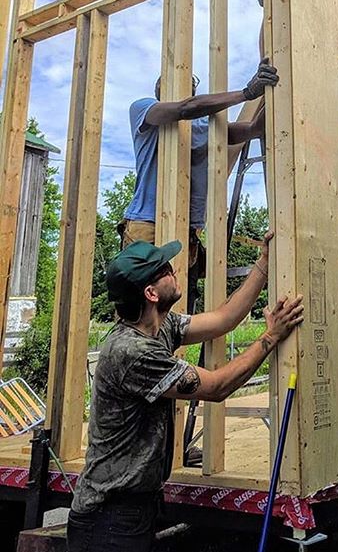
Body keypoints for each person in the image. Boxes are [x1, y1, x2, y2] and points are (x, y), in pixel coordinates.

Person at [66, 235, 303, 552]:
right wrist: (272, 335)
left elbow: (223, 319)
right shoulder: (132, 351)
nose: (173, 270)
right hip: (109, 518)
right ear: (151, 293)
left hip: (134, 510)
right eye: (163, 269)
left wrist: (263, 262)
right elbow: (217, 387)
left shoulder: (159, 325)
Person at [121, 61, 278, 312]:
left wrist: (273, 89)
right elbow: (185, 109)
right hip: (147, 226)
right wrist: (247, 94)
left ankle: (173, 353)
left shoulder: (205, 128)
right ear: (159, 91)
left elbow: (252, 129)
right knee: (142, 311)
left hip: (189, 235)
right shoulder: (144, 110)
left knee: (181, 312)